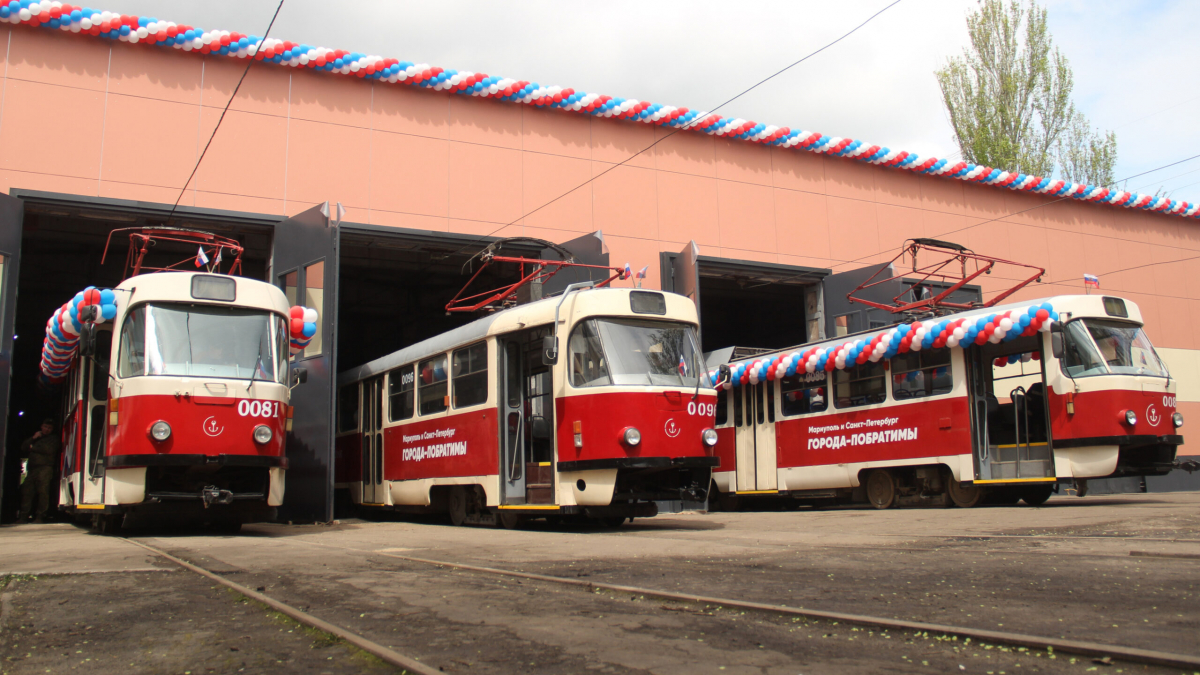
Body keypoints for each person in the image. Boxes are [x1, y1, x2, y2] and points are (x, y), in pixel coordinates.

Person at [17, 419, 61, 524]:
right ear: (41, 427)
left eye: (49, 428)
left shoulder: (53, 439)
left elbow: (48, 450)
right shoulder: (36, 438)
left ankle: (40, 516)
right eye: (45, 427)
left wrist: (32, 447)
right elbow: (23, 447)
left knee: (43, 492)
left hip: (45, 468)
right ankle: (23, 516)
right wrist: (33, 438)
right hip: (32, 469)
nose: (47, 429)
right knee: (27, 492)